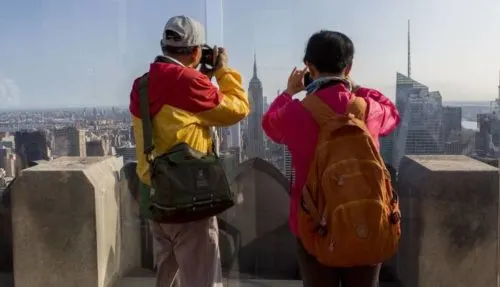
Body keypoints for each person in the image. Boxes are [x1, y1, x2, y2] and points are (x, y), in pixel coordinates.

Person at [262, 30, 400, 287]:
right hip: (366, 219)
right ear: (348, 68)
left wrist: (288, 93)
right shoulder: (367, 109)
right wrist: (359, 88)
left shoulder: (294, 113)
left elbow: (269, 125)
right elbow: (393, 113)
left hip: (314, 224)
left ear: (309, 68)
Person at [129, 15, 250, 287]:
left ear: (163, 45)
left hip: (155, 197)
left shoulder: (142, 84)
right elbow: (238, 108)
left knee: (166, 276)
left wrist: (198, 77)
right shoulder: (188, 83)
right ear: (196, 51)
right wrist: (222, 72)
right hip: (188, 202)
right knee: (203, 280)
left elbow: (173, 115)